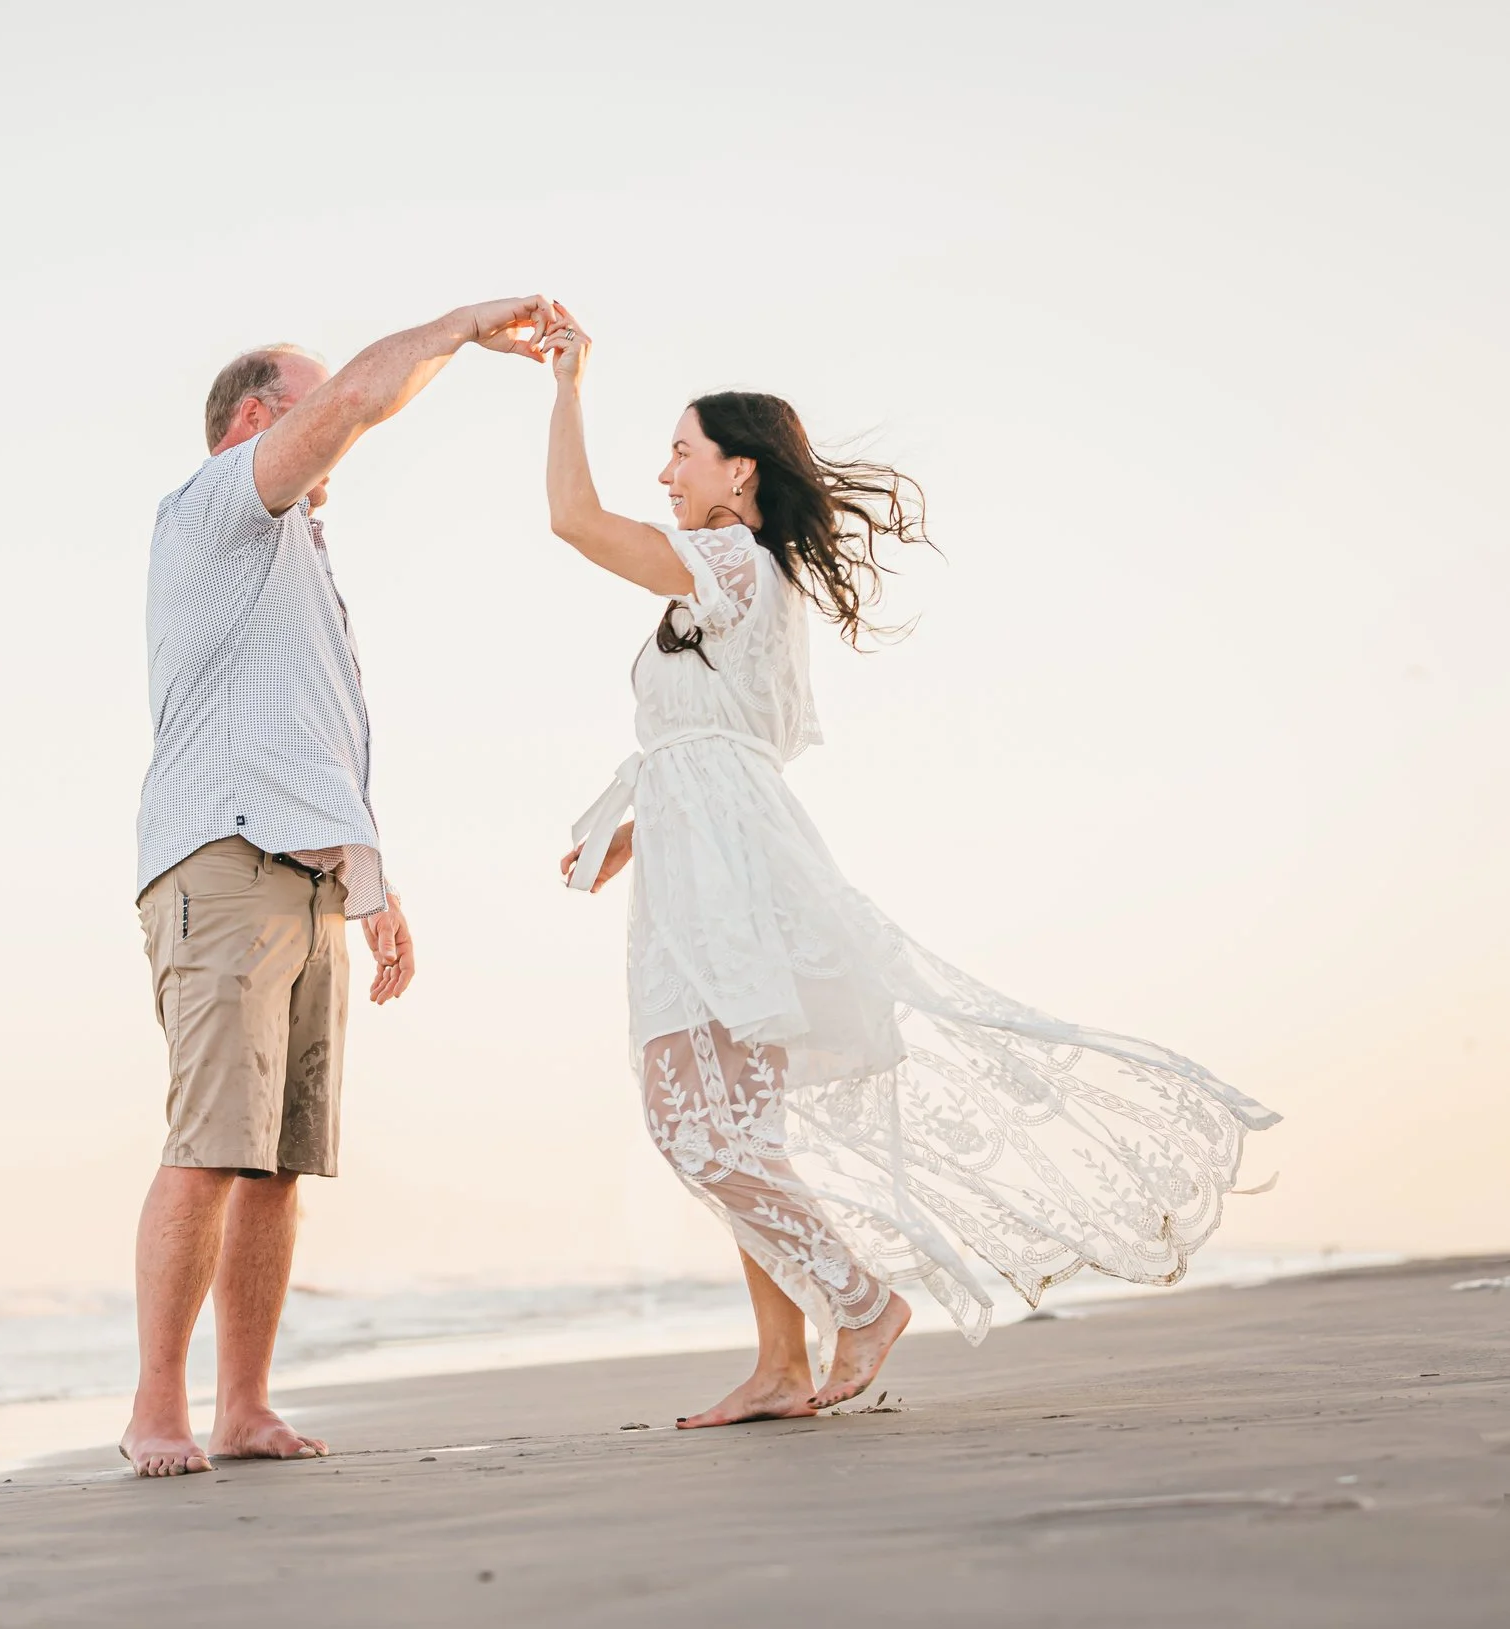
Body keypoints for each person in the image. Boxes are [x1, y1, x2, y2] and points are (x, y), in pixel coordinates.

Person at [536, 306, 1279, 1426]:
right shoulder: (735, 577)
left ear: (739, 475)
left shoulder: (730, 559)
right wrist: (645, 819)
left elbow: (570, 520)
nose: (665, 470)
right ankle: (782, 1362)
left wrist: (565, 382)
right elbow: (735, 731)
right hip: (710, 852)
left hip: (727, 871)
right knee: (735, 1131)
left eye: (682, 451)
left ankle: (861, 1298)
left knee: (694, 1127)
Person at [124, 298, 558, 1477]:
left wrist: (371, 880)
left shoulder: (297, 562)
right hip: (222, 860)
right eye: (308, 404)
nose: (339, 430)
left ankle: (243, 1405)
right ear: (259, 419)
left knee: (278, 1158)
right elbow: (363, 394)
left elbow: (306, 742)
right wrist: (467, 328)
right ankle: (154, 1406)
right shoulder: (215, 510)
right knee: (211, 1143)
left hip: (304, 876)